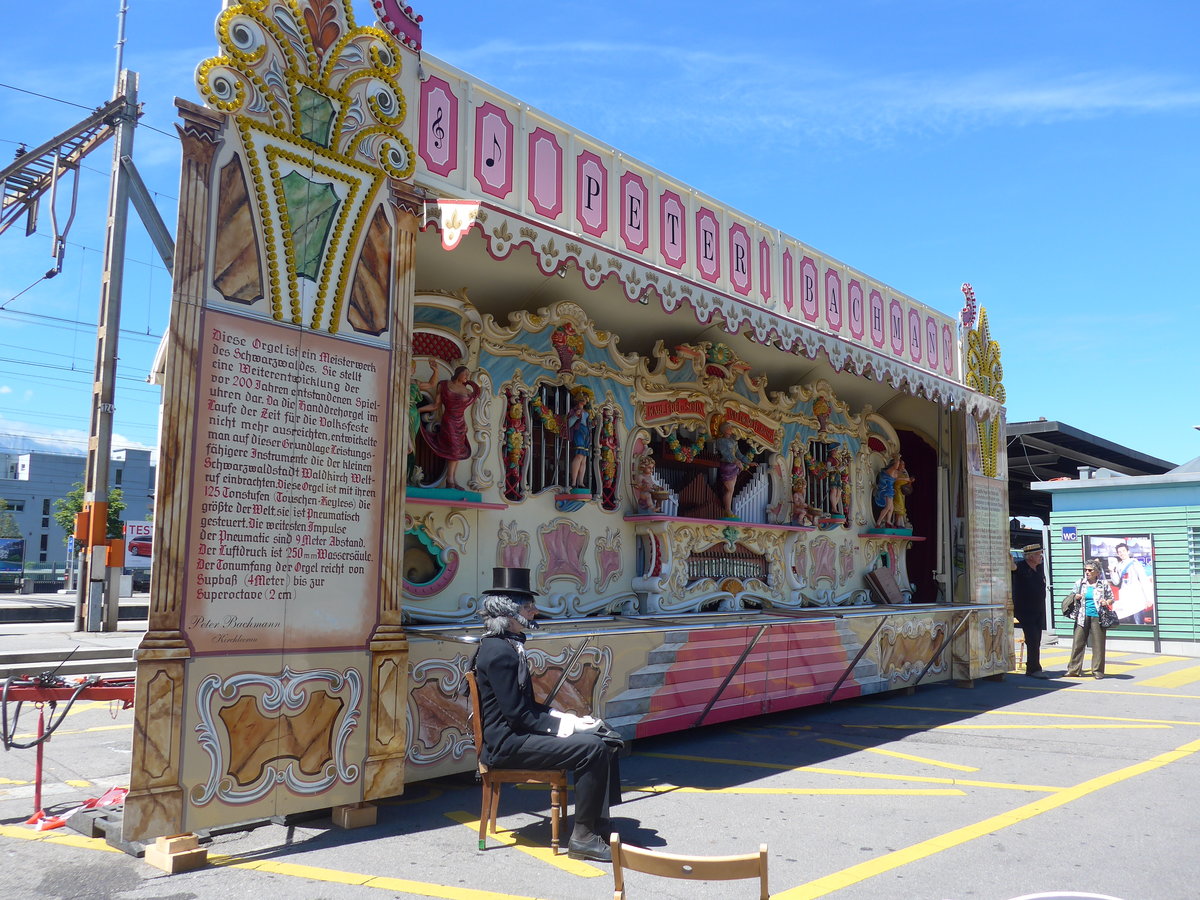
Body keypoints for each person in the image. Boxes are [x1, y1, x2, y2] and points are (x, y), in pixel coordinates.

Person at [471, 568, 622, 862]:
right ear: (510, 612)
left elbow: (527, 708)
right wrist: (568, 727)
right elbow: (518, 716)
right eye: (529, 607)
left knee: (604, 736)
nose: (535, 611)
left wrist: (573, 721)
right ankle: (583, 839)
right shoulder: (499, 652)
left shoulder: (503, 645)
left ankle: (597, 822)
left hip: (516, 734)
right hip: (507, 744)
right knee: (591, 749)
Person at [419, 365, 481, 490]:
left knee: (457, 451)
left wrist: (470, 383)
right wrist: (418, 409)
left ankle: (451, 479)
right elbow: (436, 405)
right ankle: (450, 480)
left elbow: (475, 394)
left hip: (460, 423)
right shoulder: (443, 385)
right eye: (465, 374)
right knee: (453, 449)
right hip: (449, 421)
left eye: (468, 375)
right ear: (458, 373)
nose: (467, 377)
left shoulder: (467, 391)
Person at [1064, 558, 1116, 678]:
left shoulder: (1103, 584)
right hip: (1082, 616)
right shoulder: (1080, 583)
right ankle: (1073, 670)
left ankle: (1097, 671)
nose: (1087, 572)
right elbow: (1070, 596)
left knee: (1098, 645)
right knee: (1078, 643)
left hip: (1098, 617)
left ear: (1097, 572)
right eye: (1085, 570)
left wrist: (1106, 601)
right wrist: (1075, 596)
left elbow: (1111, 598)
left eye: (1090, 570)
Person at [1011, 543, 1049, 678]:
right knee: (1032, 639)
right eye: (1038, 554)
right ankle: (1034, 669)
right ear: (1030, 556)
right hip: (1025, 610)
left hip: (1037, 609)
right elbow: (1012, 566)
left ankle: (1031, 668)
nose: (1041, 557)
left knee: (1036, 639)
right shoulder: (1020, 566)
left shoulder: (1038, 568)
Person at [714, 421, 752, 519]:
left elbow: (738, 454)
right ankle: (727, 509)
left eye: (731, 428)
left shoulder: (733, 441)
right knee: (729, 489)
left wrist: (748, 462)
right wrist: (736, 461)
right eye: (729, 428)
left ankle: (728, 509)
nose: (731, 430)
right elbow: (726, 453)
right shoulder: (720, 441)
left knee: (731, 490)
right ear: (724, 430)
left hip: (734, 466)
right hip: (727, 465)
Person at [1108, 542, 1152, 624]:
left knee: (1138, 622)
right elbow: (1116, 582)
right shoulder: (1118, 566)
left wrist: (1149, 599)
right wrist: (1112, 571)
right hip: (1125, 598)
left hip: (1137, 598)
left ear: (1128, 551)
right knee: (1129, 622)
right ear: (1117, 554)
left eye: (1123, 551)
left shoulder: (1135, 563)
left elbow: (1144, 580)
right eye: (1119, 552)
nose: (1122, 553)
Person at [566, 397, 592, 489]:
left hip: (586, 433)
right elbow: (568, 424)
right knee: (579, 455)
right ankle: (573, 481)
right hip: (579, 431)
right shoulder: (574, 410)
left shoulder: (587, 412)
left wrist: (593, 424)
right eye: (583, 398)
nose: (585, 400)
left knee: (584, 458)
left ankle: (580, 481)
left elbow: (589, 424)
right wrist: (575, 416)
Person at [873, 457, 903, 527]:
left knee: (891, 508)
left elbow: (897, 478)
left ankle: (888, 521)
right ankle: (878, 522)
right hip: (886, 490)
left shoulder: (895, 471)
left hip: (890, 490)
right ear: (894, 464)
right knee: (888, 507)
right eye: (898, 464)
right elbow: (896, 472)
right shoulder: (891, 470)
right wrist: (898, 458)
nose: (898, 466)